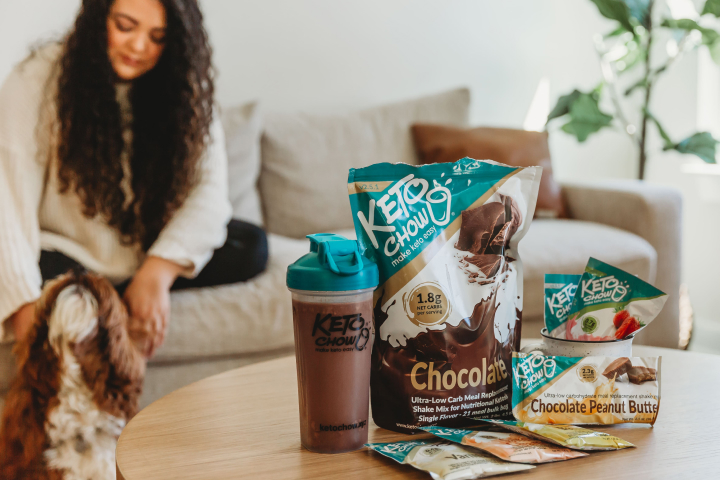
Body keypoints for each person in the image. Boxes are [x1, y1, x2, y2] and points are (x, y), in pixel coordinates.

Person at [0, 0, 268, 358]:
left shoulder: (187, 85)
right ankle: (98, 293)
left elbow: (210, 193)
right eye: (125, 26)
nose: (139, 47)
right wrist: (23, 306)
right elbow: (7, 196)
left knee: (249, 244)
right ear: (98, 19)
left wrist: (158, 271)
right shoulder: (38, 76)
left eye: (157, 37)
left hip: (143, 252)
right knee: (35, 275)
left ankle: (123, 289)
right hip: (66, 255)